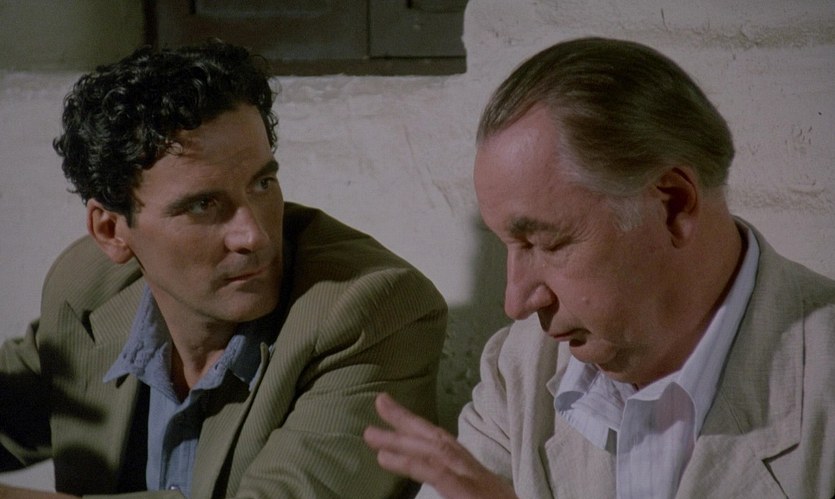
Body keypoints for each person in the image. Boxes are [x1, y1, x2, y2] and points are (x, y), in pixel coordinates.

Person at [364, 37, 835, 498]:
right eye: (509, 245)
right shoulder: (520, 370)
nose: (516, 302)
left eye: (547, 243)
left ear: (674, 205)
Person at [0, 40, 447, 498]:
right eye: (202, 205)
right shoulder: (89, 291)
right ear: (112, 232)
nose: (254, 236)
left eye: (263, 183)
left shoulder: (371, 310)